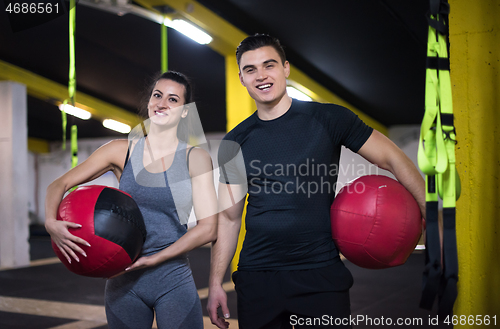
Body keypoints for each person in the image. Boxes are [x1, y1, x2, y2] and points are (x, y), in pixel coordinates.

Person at [207, 34, 425, 329]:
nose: (261, 76)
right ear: (242, 78)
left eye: (269, 65)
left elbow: (393, 158)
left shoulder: (329, 118)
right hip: (258, 278)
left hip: (319, 275)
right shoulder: (234, 141)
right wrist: (215, 283)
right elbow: (229, 218)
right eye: (250, 69)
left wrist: (431, 215)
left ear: (285, 68)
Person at [45, 71, 217, 328]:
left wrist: (155, 259)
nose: (161, 103)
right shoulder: (119, 150)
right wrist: (50, 222)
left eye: (173, 99)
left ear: (184, 112)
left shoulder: (195, 158)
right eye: (157, 95)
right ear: (149, 101)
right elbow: (59, 184)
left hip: (172, 277)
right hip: (122, 280)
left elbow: (208, 228)